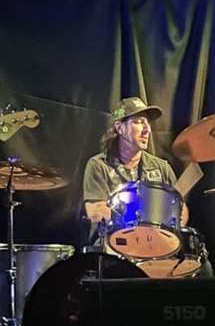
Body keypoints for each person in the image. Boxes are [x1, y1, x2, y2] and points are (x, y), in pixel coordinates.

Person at [81, 96, 191, 254]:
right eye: (139, 122)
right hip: (114, 245)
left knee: (203, 264)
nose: (147, 129)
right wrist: (141, 222)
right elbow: (96, 212)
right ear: (120, 128)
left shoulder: (161, 167)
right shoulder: (99, 165)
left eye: (147, 123)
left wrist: (169, 232)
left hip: (157, 245)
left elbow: (181, 210)